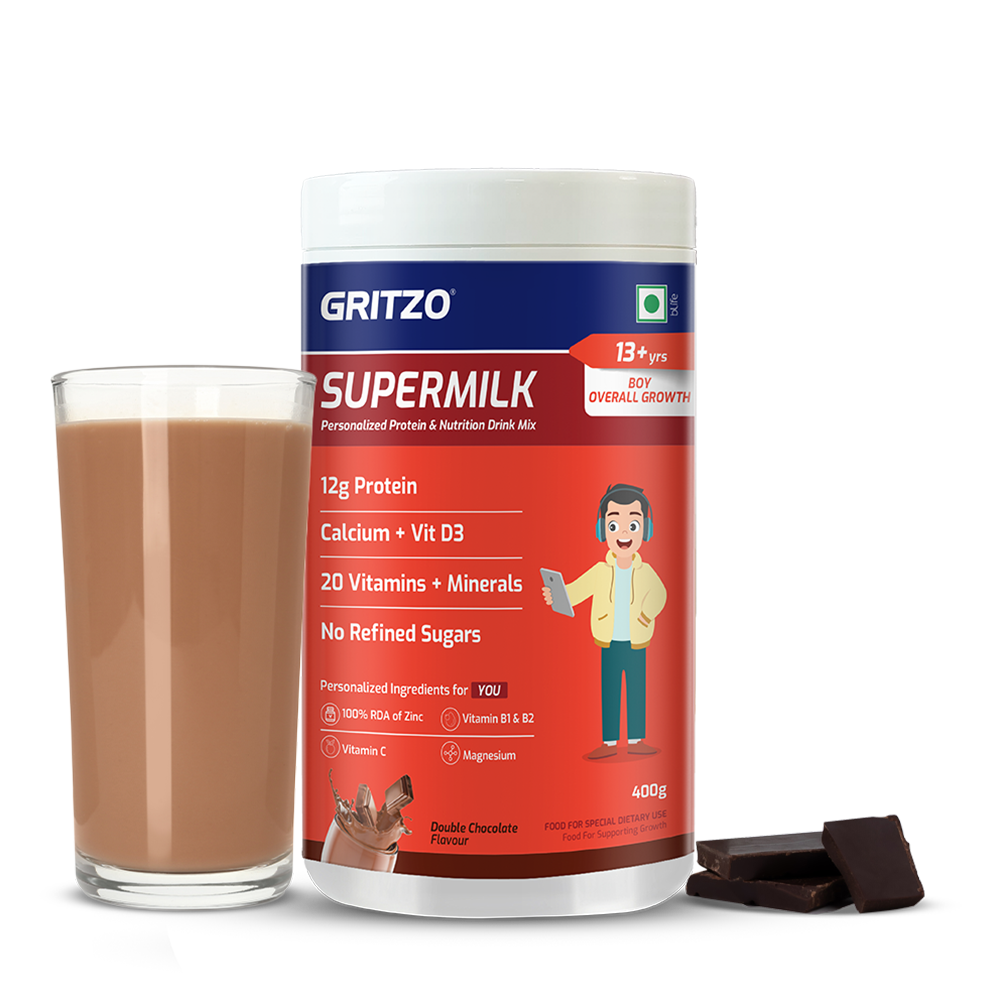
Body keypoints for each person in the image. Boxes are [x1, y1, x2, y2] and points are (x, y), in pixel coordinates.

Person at [542, 484, 667, 759]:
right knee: (609, 692)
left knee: (636, 691)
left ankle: (636, 739)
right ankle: (609, 742)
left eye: (632, 525)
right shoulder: (600, 571)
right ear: (602, 531)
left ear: (645, 530)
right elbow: (576, 591)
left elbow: (660, 594)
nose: (623, 534)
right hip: (608, 643)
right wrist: (557, 596)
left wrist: (645, 616)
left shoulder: (645, 571)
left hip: (636, 642)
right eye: (614, 526)